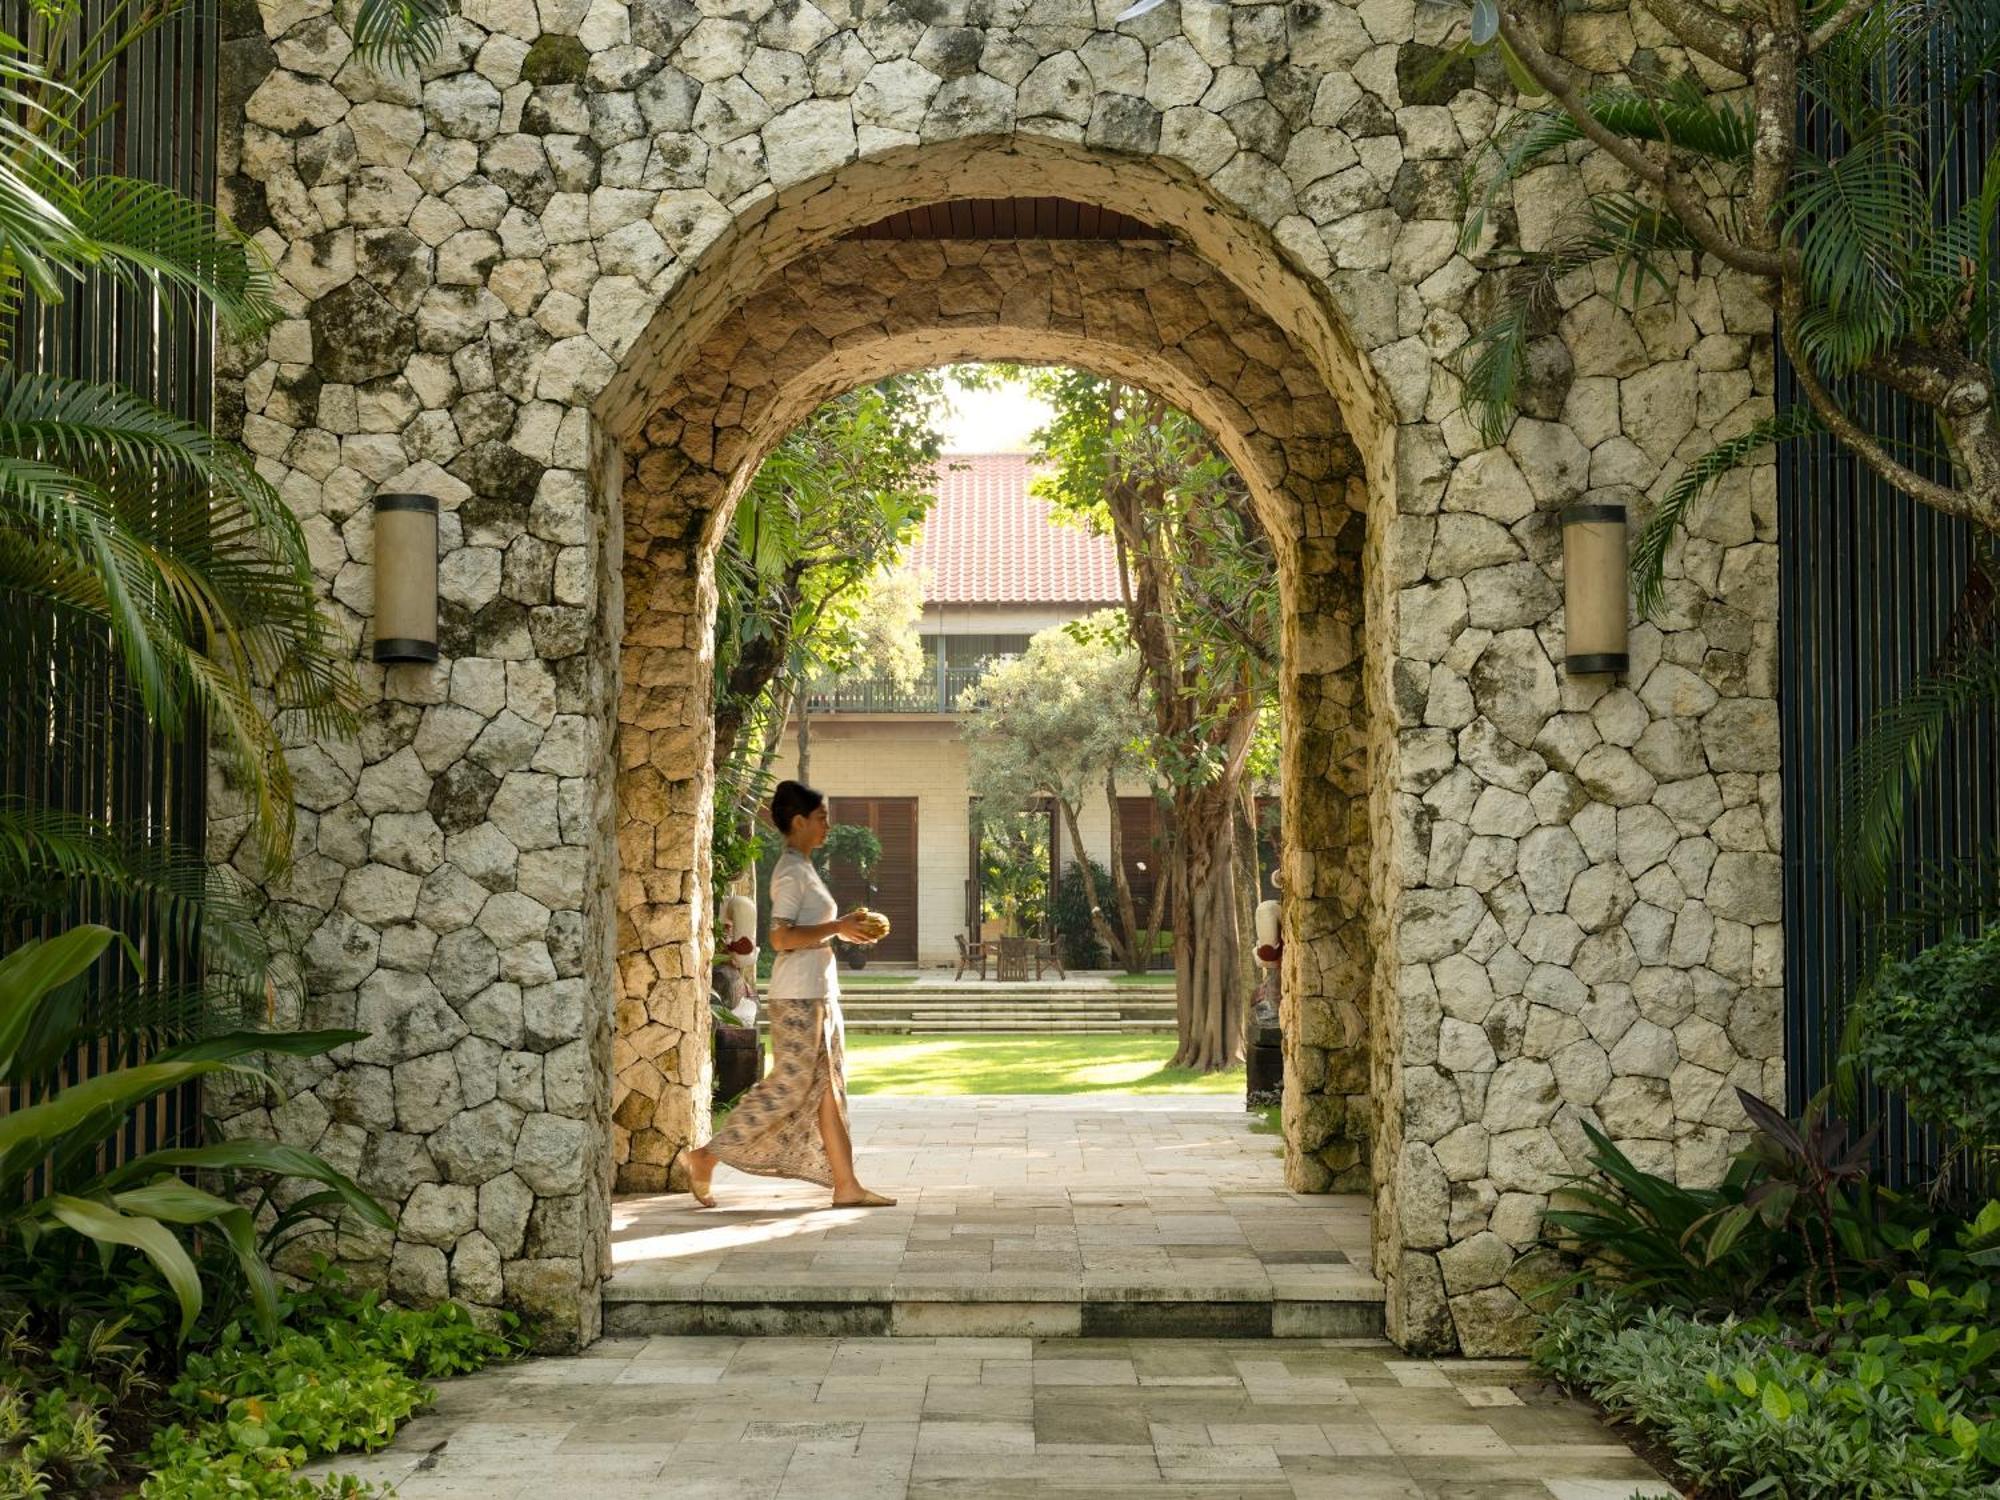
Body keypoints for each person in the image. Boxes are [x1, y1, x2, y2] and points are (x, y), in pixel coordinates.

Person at [684, 780, 896, 1209]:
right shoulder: (790, 872)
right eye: (821, 818)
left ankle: (846, 1185)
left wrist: (844, 932)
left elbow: (806, 934)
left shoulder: (805, 867)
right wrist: (838, 928)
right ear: (798, 822)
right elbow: (780, 938)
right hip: (797, 995)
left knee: (827, 1089)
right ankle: (704, 1157)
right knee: (791, 1083)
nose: (827, 825)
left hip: (818, 992)